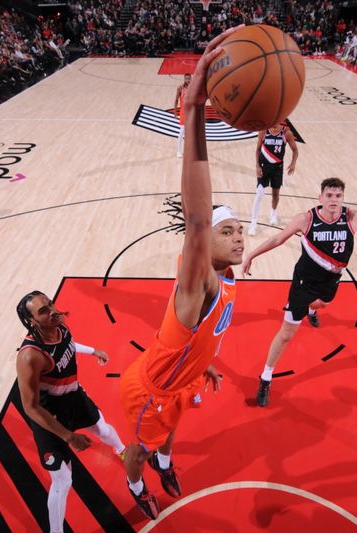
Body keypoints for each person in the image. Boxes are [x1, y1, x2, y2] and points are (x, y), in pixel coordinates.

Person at [120, 26, 244, 520]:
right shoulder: (200, 279)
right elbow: (196, 219)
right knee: (139, 450)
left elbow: (208, 331)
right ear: (205, 243)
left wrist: (204, 362)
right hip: (152, 387)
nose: (238, 237)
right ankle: (134, 486)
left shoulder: (224, 277)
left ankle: (167, 460)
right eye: (227, 230)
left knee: (170, 434)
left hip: (183, 376)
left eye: (240, 231)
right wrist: (193, 111)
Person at [243, 177, 357, 407]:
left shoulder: (354, 218)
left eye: (338, 196)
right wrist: (251, 255)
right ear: (320, 198)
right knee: (287, 333)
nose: (334, 200)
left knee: (323, 303)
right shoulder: (306, 219)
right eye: (329, 196)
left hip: (332, 279)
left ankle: (312, 311)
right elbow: (278, 238)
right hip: (304, 282)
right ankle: (266, 377)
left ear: (343, 198)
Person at [15, 291, 126, 533]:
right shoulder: (30, 356)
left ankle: (122, 450)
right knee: (63, 481)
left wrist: (93, 350)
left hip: (73, 397)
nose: (52, 311)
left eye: (50, 304)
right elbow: (30, 407)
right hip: (48, 415)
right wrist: (68, 435)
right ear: (31, 321)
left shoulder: (60, 327)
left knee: (104, 430)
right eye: (43, 311)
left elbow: (68, 345)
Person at [248, 122, 298, 236]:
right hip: (263, 168)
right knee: (259, 194)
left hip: (277, 168)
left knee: (275, 194)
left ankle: (273, 213)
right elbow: (258, 149)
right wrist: (257, 166)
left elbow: (295, 150)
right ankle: (253, 223)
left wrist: (293, 163)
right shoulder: (263, 131)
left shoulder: (286, 133)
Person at [173, 73, 191, 158]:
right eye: (186, 78)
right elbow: (176, 100)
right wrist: (175, 111)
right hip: (183, 112)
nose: (188, 80)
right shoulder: (180, 88)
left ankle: (188, 151)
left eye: (189, 78)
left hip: (191, 112)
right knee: (182, 131)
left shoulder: (193, 88)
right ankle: (179, 152)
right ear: (184, 79)